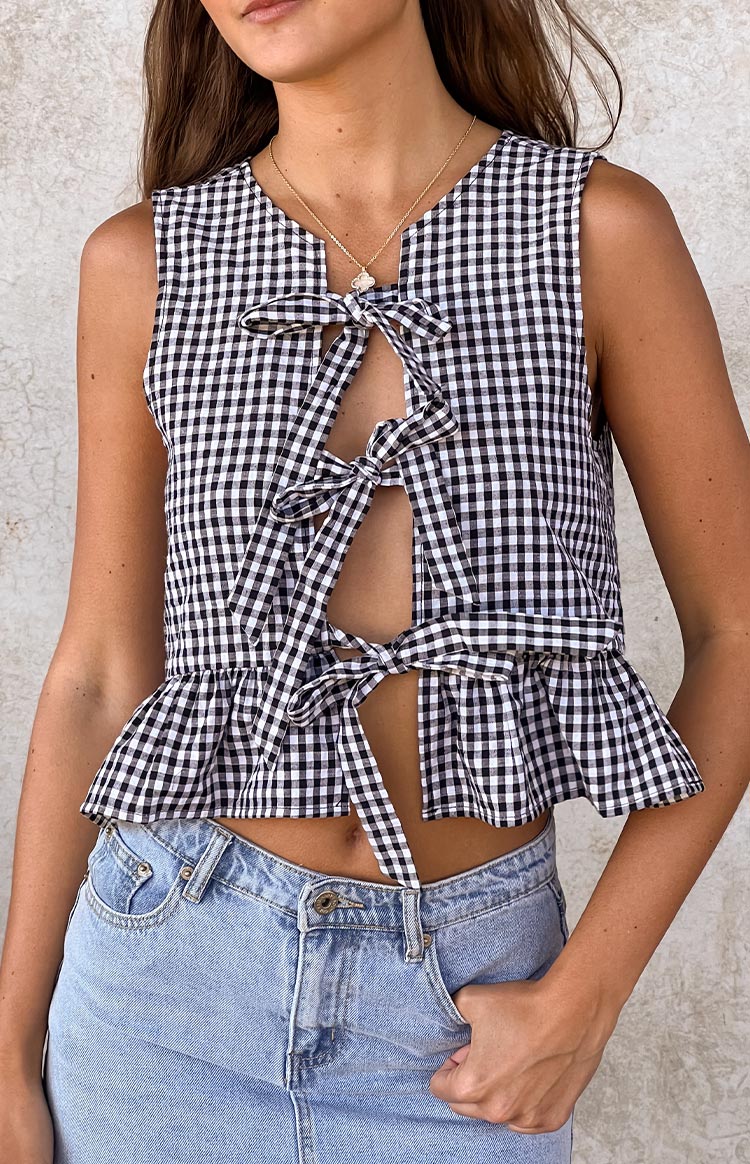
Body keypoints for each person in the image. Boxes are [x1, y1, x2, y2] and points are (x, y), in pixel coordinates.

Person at [2, 1, 749, 1161]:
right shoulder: (144, 259)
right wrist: (8, 1055)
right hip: (163, 981)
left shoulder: (598, 230)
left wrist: (587, 997)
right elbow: (98, 673)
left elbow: (740, 630)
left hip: (463, 1016)